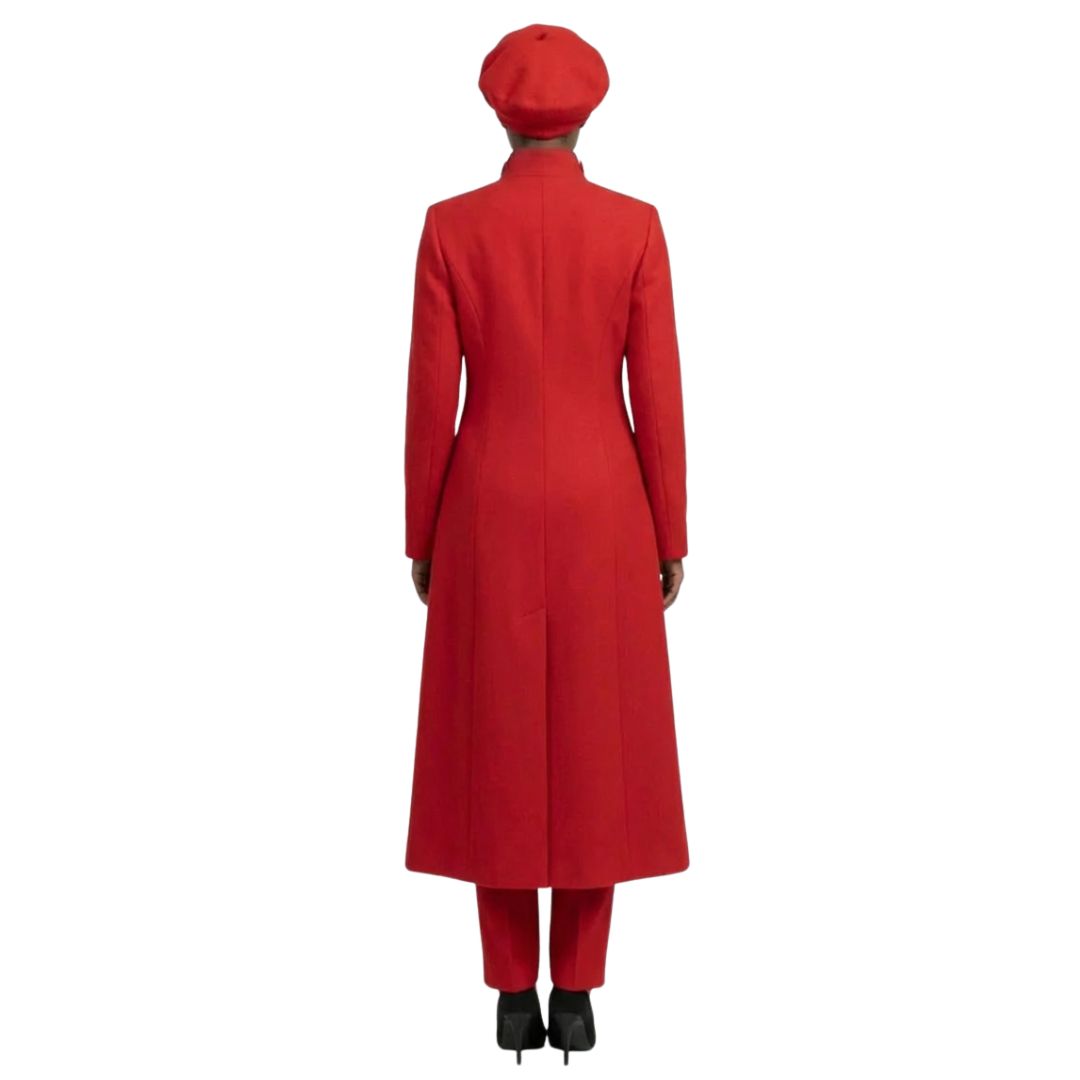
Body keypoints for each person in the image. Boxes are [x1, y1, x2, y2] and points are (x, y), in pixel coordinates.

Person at [403, 24, 690, 1064]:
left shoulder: (451, 228)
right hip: (604, 505)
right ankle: (577, 992)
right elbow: (656, 393)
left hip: (484, 500)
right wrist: (671, 527)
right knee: (592, 743)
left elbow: (430, 397)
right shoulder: (634, 227)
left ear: (499, 112)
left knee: (498, 741)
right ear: (586, 114)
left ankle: (507, 994)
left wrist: (421, 530)